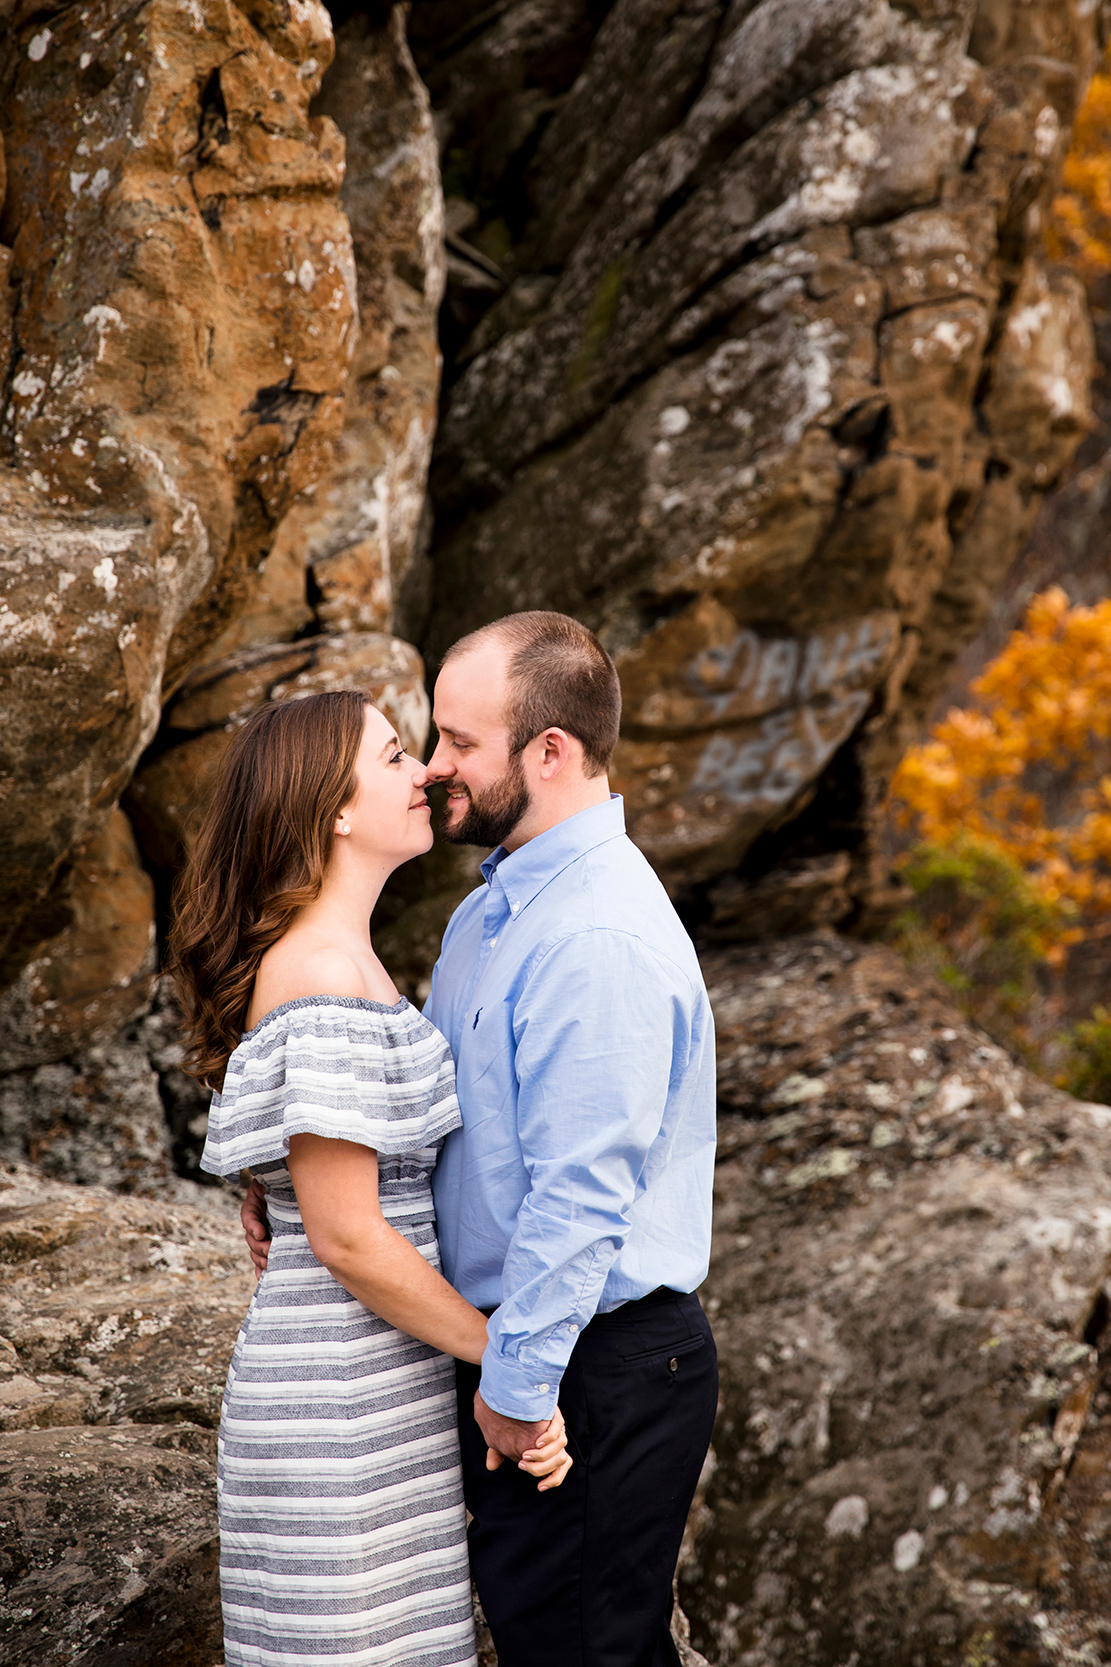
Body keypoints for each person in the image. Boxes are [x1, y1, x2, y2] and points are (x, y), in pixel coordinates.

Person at [244, 613, 719, 1667]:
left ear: (549, 751)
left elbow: (580, 1192)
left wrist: (514, 1384)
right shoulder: (489, 912)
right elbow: (422, 1109)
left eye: (458, 742)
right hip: (520, 1346)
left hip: (588, 1357)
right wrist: (282, 1166)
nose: (434, 768)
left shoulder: (592, 933)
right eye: (425, 740)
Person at [169, 690, 571, 1667]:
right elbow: (348, 1235)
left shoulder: (344, 959)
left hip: (375, 1390)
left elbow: (327, 1187)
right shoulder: (322, 971)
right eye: (395, 755)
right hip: (335, 1402)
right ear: (335, 810)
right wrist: (509, 1364)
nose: (426, 770)